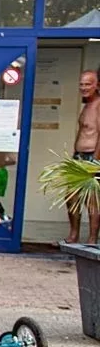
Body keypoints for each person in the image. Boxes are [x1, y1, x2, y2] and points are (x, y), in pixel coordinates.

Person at [66, 69, 100, 244]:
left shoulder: (99, 105)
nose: (84, 87)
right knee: (71, 196)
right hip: (79, 157)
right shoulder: (87, 105)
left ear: (97, 85)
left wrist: (95, 161)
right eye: (81, 84)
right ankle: (74, 235)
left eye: (88, 84)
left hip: (91, 157)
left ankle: (92, 239)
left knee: (92, 199)